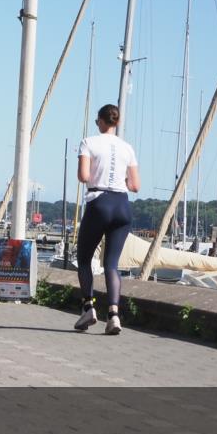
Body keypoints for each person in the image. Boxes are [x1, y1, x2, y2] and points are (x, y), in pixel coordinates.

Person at [75, 103, 140, 335]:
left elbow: (83, 176)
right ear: (117, 122)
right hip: (122, 205)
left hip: (99, 202)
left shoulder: (88, 142)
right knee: (111, 264)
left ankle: (88, 308)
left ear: (101, 122)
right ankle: (113, 315)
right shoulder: (127, 148)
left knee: (84, 259)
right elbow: (135, 185)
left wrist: (97, 173)